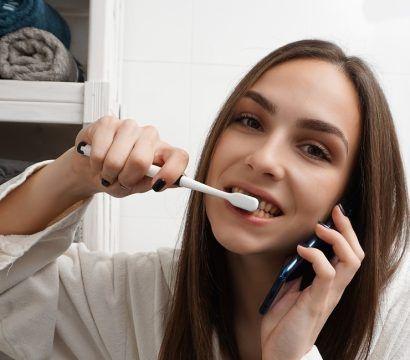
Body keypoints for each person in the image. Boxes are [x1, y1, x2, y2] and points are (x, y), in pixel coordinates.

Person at [0, 39, 408, 360]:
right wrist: (74, 174)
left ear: (352, 201)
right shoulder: (138, 294)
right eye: (249, 121)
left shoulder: (398, 326)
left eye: (315, 150)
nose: (263, 159)